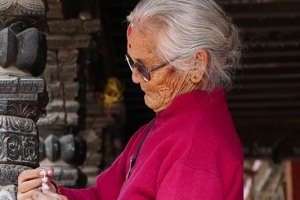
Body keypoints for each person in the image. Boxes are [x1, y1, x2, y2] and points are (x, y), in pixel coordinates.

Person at [17, 0, 243, 199]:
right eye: (132, 63)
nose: (135, 77)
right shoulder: (160, 128)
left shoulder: (198, 147)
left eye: (144, 67)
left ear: (196, 65)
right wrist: (49, 193)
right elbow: (101, 195)